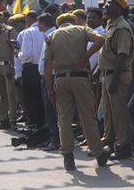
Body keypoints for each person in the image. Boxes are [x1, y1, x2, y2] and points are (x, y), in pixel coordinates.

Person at [43, 12, 110, 172]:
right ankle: (99, 154)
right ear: (73, 21)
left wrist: (50, 88)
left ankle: (68, 157)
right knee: (87, 116)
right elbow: (101, 39)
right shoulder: (82, 30)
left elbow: (47, 63)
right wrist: (85, 57)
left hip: (61, 78)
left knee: (64, 118)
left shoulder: (51, 36)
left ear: (59, 23)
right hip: (80, 77)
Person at [99, 0, 134, 158]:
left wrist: (114, 80)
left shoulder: (122, 28)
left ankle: (123, 144)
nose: (105, 7)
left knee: (119, 113)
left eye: (109, 4)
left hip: (117, 75)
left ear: (119, 9)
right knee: (108, 112)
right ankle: (109, 142)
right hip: (108, 74)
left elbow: (122, 55)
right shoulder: (111, 24)